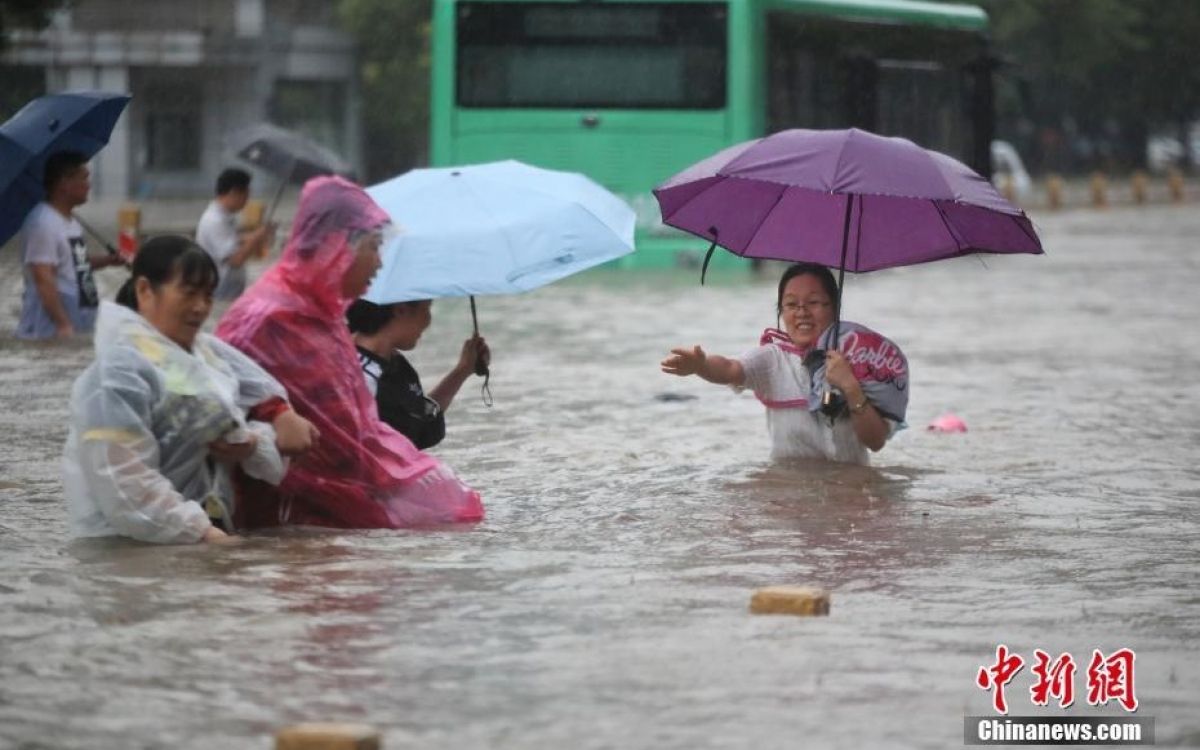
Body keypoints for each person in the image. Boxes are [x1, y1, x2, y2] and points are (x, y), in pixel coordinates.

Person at [216, 175, 484, 530]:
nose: (378, 263)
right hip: (282, 516)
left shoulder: (327, 319)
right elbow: (220, 402)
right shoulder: (268, 316)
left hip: (336, 507)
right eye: (373, 247)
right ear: (337, 246)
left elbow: (359, 427)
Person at [64, 235, 320, 544]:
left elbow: (259, 393)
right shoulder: (116, 374)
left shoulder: (206, 355)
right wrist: (206, 534)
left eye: (208, 295)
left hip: (203, 535)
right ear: (145, 290)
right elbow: (124, 486)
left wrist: (257, 438)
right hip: (133, 550)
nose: (200, 307)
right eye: (189, 293)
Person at [661, 262, 909, 465]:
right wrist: (701, 365)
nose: (801, 311)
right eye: (791, 304)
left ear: (834, 308)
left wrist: (850, 386)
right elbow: (729, 369)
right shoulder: (772, 359)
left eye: (813, 302)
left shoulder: (863, 359)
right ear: (781, 312)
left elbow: (875, 443)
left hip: (850, 495)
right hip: (789, 495)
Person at [346, 298, 490, 450]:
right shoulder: (358, 377)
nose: (428, 321)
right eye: (426, 308)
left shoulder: (394, 362)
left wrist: (463, 370)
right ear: (401, 310)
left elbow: (418, 424)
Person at [17, 151, 125, 340]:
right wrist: (63, 324)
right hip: (49, 328)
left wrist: (107, 261)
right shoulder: (43, 223)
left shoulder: (70, 221)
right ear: (64, 183)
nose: (88, 185)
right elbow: (43, 278)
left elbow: (74, 264)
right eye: (83, 178)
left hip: (79, 317)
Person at [194, 167, 275, 300]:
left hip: (230, 291)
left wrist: (258, 234)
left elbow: (233, 239)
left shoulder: (226, 217)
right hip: (220, 294)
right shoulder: (215, 221)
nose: (247, 201)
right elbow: (235, 260)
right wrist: (257, 237)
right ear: (233, 193)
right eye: (245, 195)